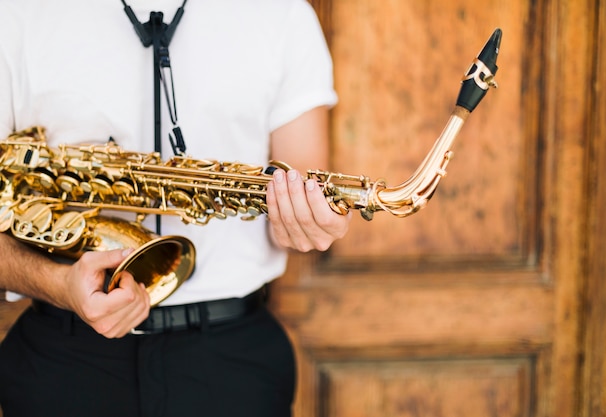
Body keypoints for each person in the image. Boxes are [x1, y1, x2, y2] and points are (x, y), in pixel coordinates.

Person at [0, 0, 352, 416]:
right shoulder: (18, 13)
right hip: (62, 357)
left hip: (232, 362)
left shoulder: (282, 13)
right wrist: (57, 284)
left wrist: (307, 222)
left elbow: (300, 198)